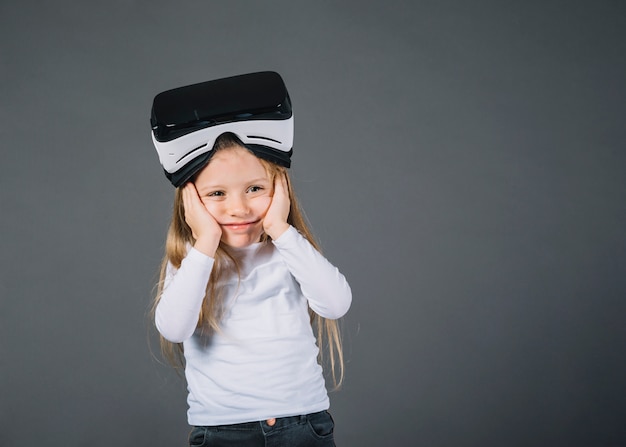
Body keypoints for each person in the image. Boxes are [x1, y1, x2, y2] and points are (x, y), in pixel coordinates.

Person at [150, 73, 352, 447]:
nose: (239, 208)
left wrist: (280, 228)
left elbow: (336, 304)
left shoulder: (289, 251)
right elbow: (175, 329)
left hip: (303, 426)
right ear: (190, 200)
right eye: (217, 193)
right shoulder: (190, 262)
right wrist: (206, 240)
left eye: (255, 189)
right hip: (223, 433)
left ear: (280, 189)